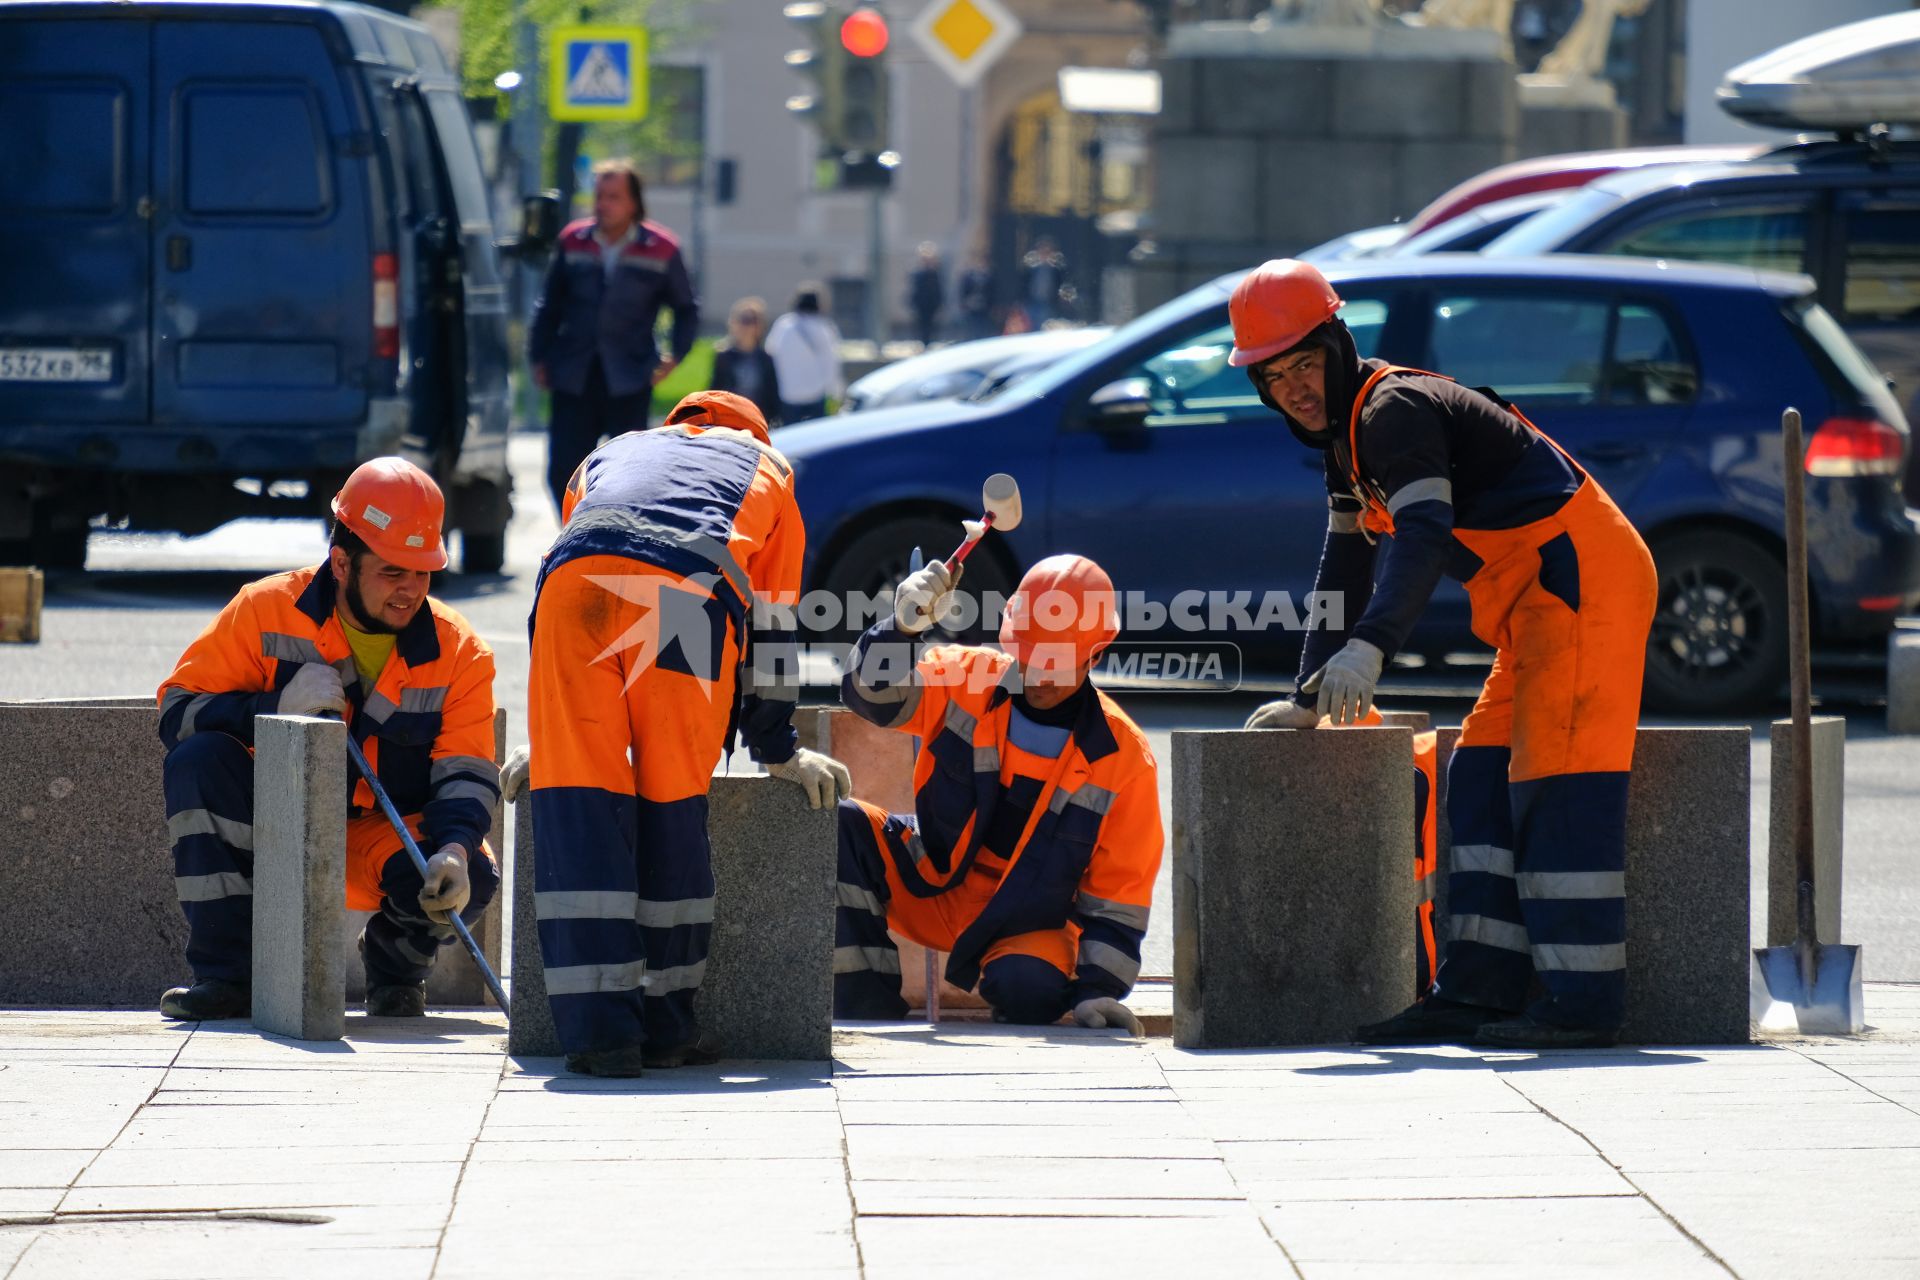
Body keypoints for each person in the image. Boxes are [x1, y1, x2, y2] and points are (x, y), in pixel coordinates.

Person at [1229, 258, 1657, 1050]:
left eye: (1302, 363)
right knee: (1482, 779)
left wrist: (1370, 651)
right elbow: (1347, 565)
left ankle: (1585, 1003)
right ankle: (1480, 992)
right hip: (1535, 609)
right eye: (1271, 375)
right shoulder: (1345, 443)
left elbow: (1422, 535)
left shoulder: (1392, 410)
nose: (1292, 386)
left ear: (1338, 344)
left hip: (1583, 588)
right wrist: (1310, 691)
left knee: (1556, 782)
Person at [502, 391, 852, 1077]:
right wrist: (776, 746)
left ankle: (600, 1036)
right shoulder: (769, 469)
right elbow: (774, 627)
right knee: (670, 800)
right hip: (686, 594)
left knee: (578, 800)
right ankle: (664, 1030)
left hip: (572, 588)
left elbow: (571, 554)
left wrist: (554, 733)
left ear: (680, 425)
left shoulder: (611, 450)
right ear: (755, 431)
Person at [156, 458, 502, 1021]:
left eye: (423, 573)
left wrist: (455, 851)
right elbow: (176, 713)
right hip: (274, 838)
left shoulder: (460, 651)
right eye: (393, 572)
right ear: (342, 562)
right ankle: (229, 977)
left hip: (384, 841)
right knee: (199, 759)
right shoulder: (264, 610)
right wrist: (272, 708)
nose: (410, 590)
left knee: (475, 873)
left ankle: (395, 971)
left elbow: (465, 772)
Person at [833, 552, 1163, 1033]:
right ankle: (864, 1017)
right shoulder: (968, 677)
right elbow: (870, 696)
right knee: (838, 825)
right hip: (936, 881)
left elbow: (1117, 898)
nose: (1039, 677)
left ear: (1098, 652)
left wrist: (1098, 993)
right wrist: (900, 632)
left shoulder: (1124, 759)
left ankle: (1024, 986)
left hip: (1028, 925)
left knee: (1028, 989)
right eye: (1029, 658)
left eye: (1058, 664)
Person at [528, 158, 699, 514]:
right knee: (564, 469)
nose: (603, 204)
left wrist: (674, 356)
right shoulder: (573, 241)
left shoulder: (661, 248)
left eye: (613, 197)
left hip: (629, 376)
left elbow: (686, 309)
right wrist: (539, 357)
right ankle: (573, 536)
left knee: (628, 471)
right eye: (599, 196)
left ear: (633, 202)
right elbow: (549, 305)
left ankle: (614, 539)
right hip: (574, 374)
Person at [764, 284, 842, 425]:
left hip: (788, 393)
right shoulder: (824, 328)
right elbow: (831, 362)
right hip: (816, 394)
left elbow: (770, 352)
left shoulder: (784, 325)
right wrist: (835, 391)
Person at [709, 297, 783, 428]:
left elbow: (773, 395)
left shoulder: (766, 359)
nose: (747, 326)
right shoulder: (724, 357)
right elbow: (714, 391)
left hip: (758, 422)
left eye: (752, 321)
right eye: (743, 320)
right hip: (729, 422)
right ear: (733, 323)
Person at [1019, 237, 1067, 328]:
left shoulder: (1055, 271)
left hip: (1048, 303)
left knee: (1044, 324)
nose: (1044, 254)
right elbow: (1024, 285)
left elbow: (1059, 286)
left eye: (1047, 252)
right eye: (1042, 251)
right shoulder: (1031, 270)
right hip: (1032, 302)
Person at [907, 242, 946, 347]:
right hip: (921, 304)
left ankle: (928, 342)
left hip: (932, 304)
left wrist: (940, 302)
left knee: (931, 326)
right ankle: (923, 343)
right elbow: (915, 289)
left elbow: (938, 289)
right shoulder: (918, 273)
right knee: (921, 326)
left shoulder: (935, 273)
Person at [957, 253, 994, 341]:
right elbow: (963, 291)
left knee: (982, 327)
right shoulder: (968, 276)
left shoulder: (989, 276)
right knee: (971, 327)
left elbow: (992, 292)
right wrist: (963, 303)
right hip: (971, 305)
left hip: (984, 306)